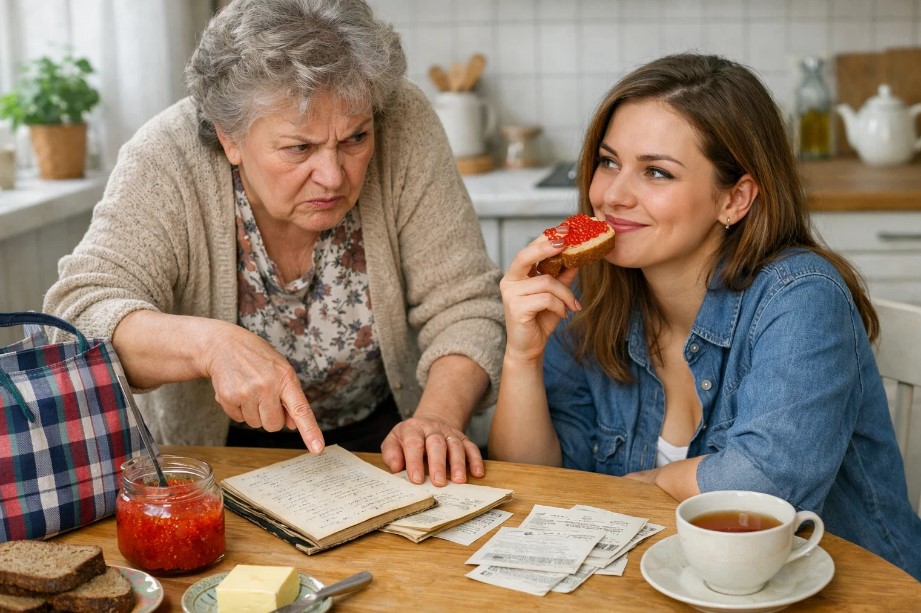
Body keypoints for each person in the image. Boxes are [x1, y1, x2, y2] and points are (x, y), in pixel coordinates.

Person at [489, 53, 921, 580]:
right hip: (678, 588)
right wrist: (522, 356)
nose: (612, 196)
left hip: (854, 593)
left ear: (734, 199)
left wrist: (655, 481)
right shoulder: (589, 296)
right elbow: (535, 484)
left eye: (656, 172)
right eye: (608, 162)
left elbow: (765, 489)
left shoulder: (802, 298)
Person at [43, 0, 505, 487]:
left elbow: (466, 305)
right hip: (216, 463)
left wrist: (435, 419)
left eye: (354, 139)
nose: (333, 176)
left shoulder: (403, 118)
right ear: (230, 138)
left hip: (388, 448)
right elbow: (77, 318)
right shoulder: (167, 157)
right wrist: (209, 346)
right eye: (299, 148)